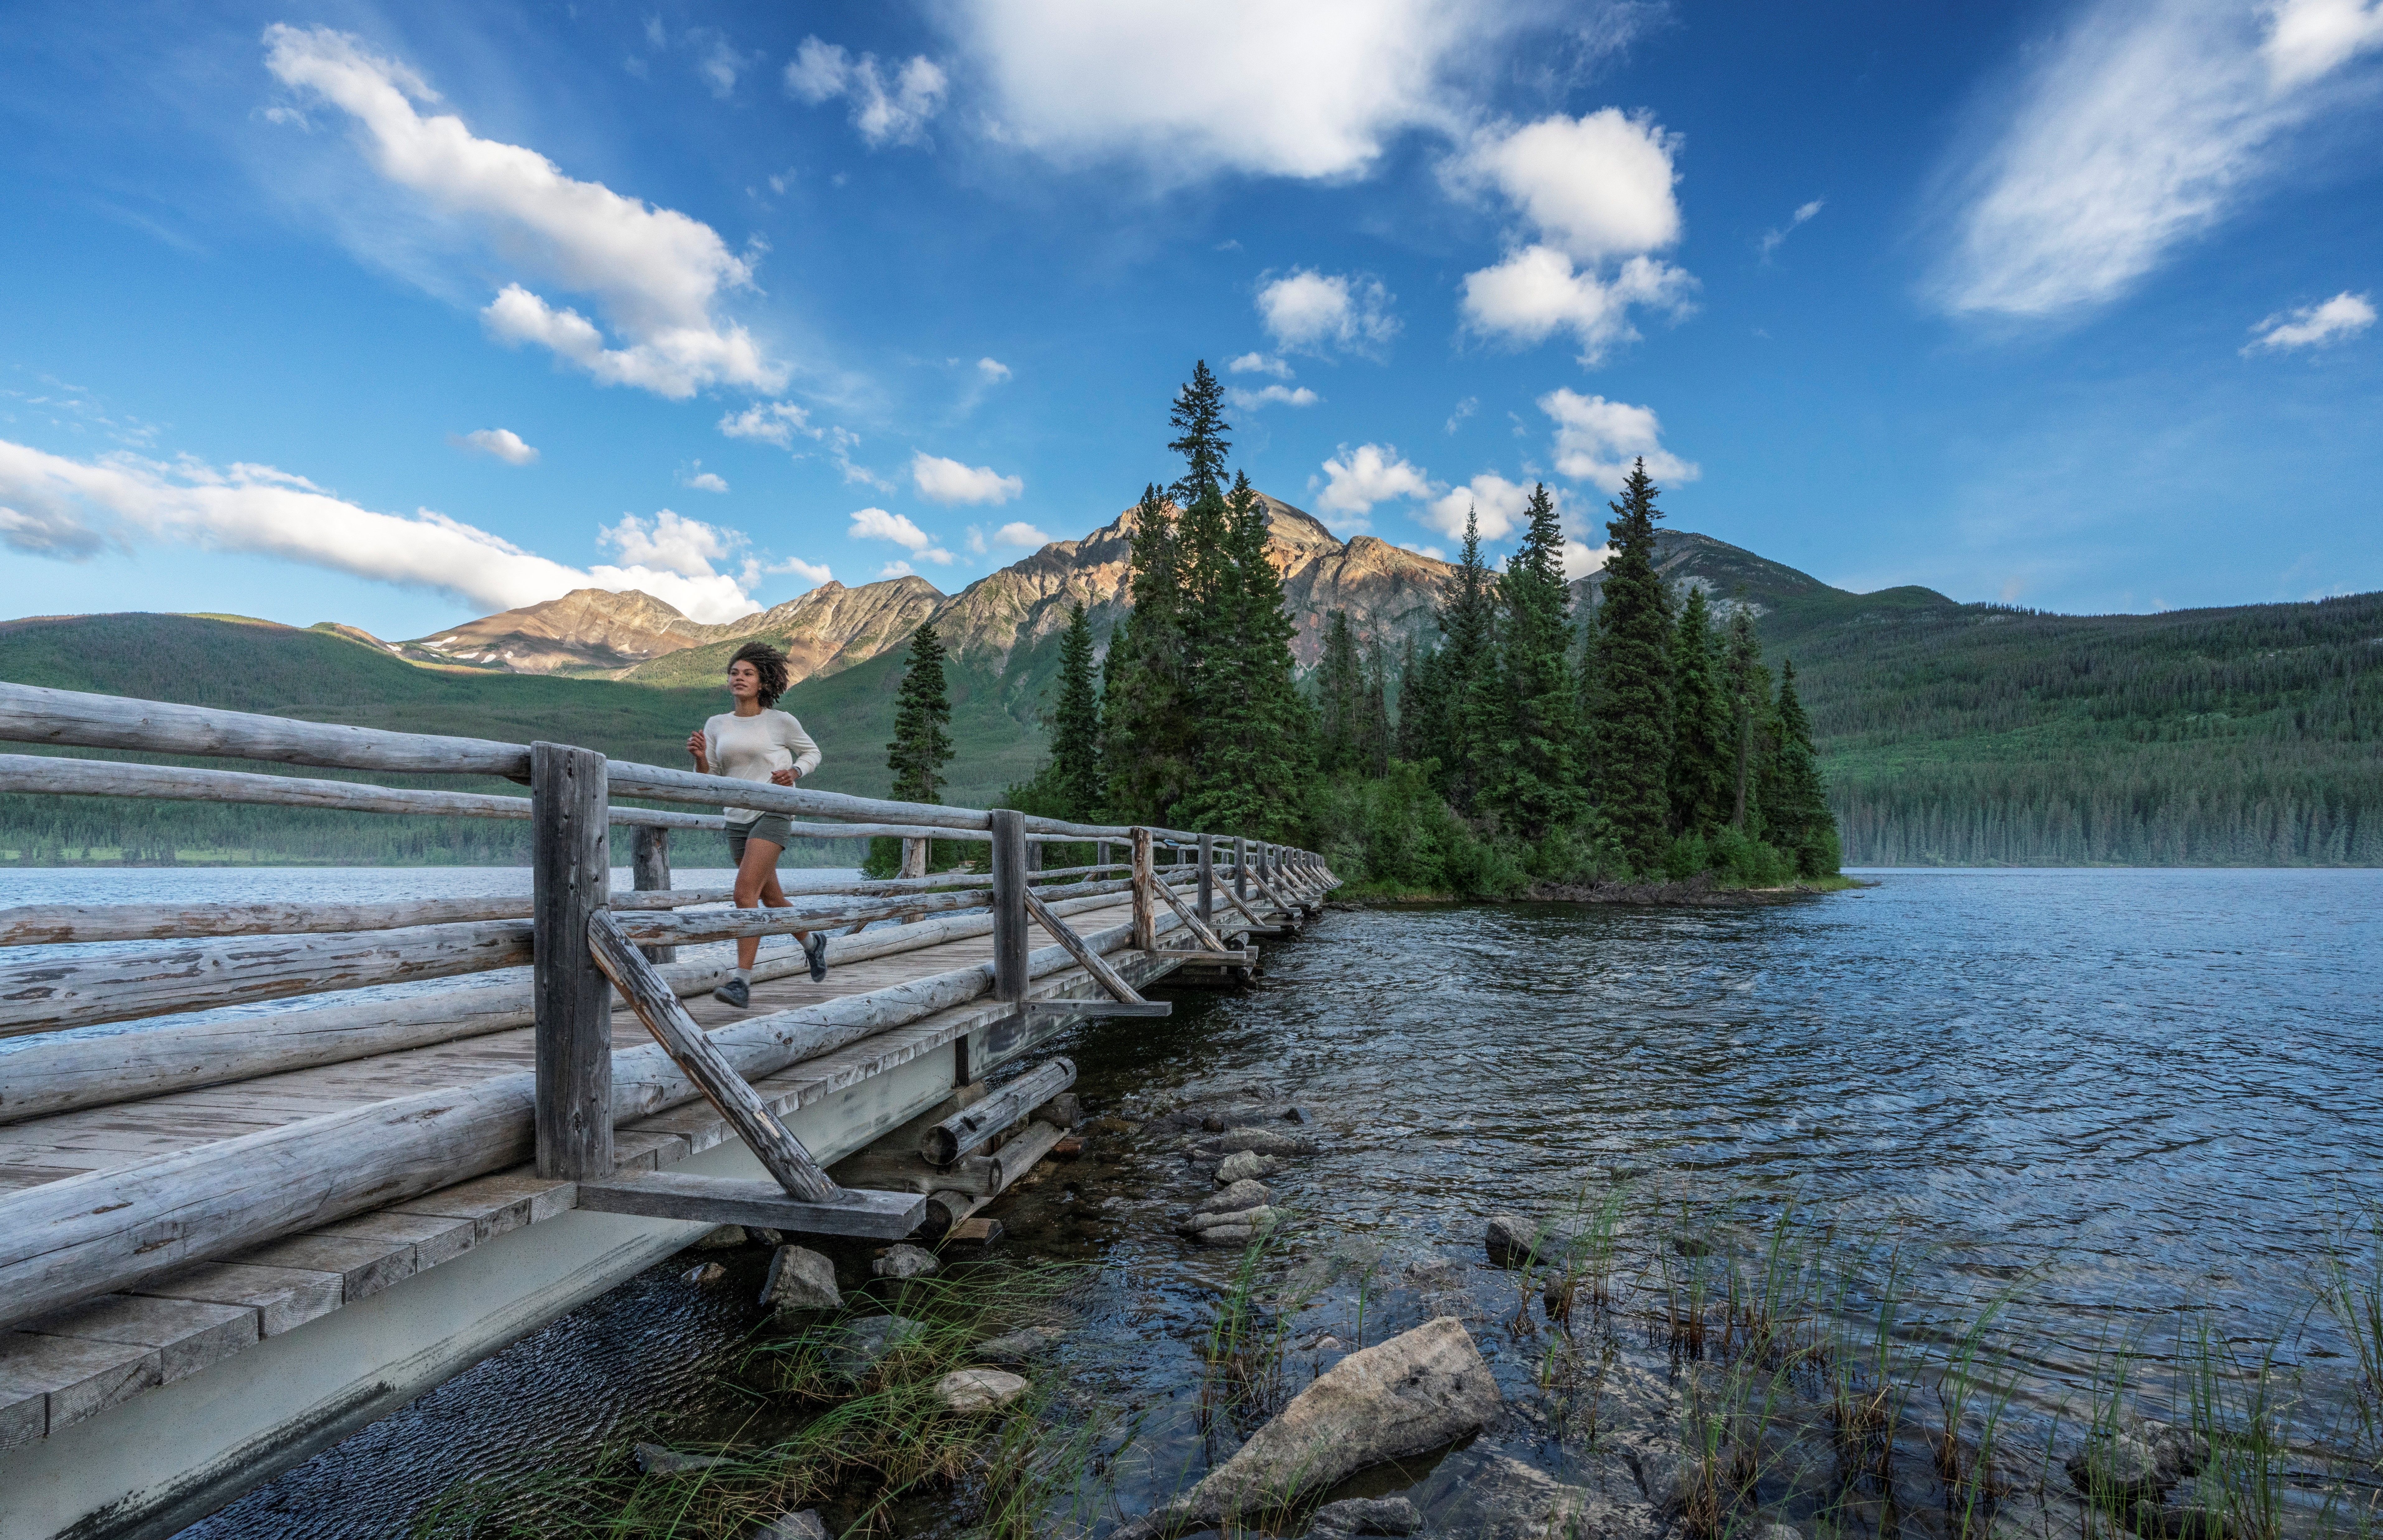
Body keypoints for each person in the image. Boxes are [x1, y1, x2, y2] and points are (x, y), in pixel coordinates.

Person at [687, 641, 825, 1007]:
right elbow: (709, 778)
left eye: (748, 673)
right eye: (734, 673)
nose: (739, 678)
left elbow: (812, 752)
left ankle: (741, 983)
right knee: (771, 897)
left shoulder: (780, 721)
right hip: (735, 816)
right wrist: (701, 757)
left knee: (743, 893)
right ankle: (813, 943)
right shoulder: (717, 724)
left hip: (775, 809)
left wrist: (795, 771)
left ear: (763, 682)